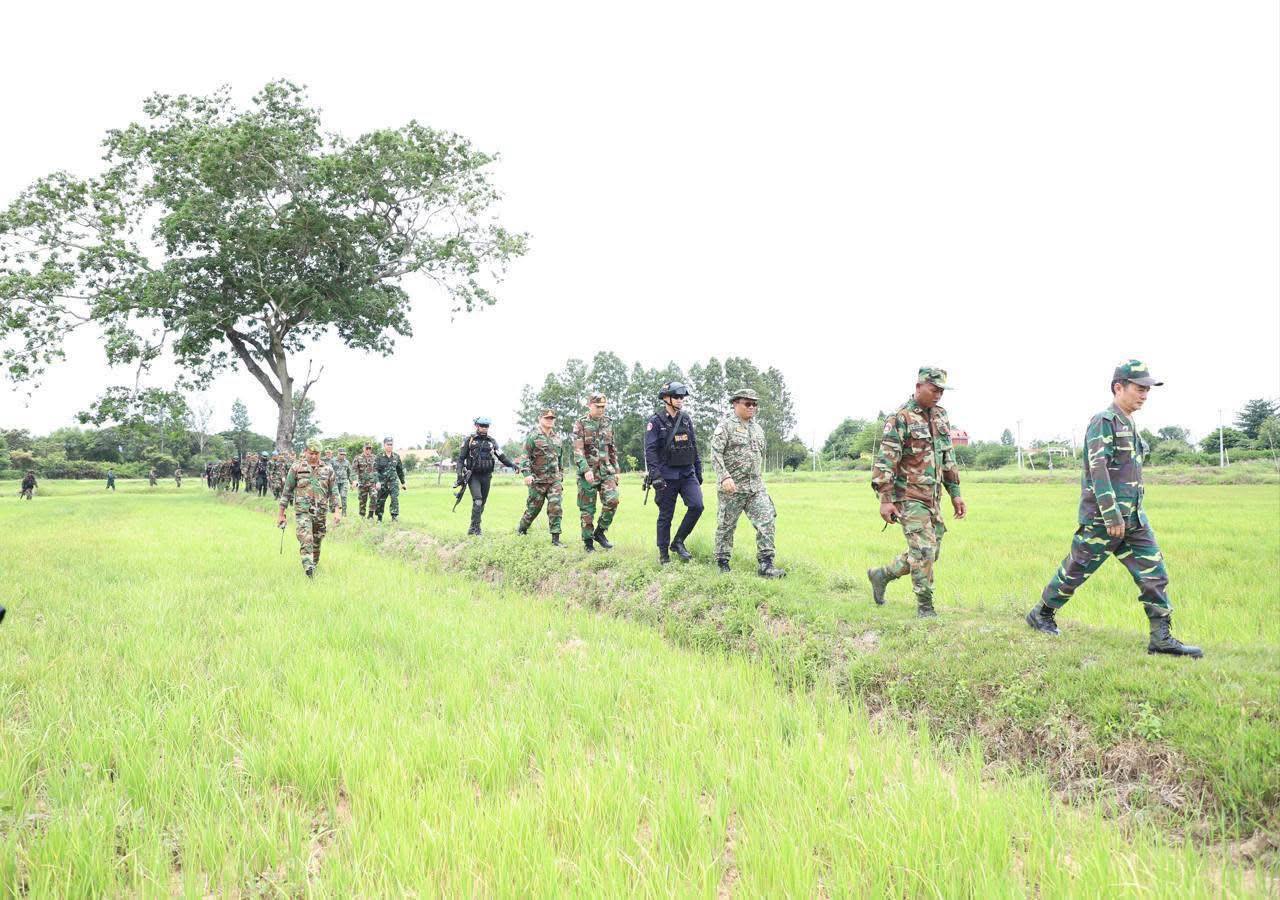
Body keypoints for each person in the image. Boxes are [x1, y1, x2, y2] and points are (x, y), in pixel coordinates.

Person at [1027, 361, 1202, 657]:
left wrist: (1128, 514)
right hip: (1103, 519)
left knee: (1154, 573)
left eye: (1147, 389)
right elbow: (1098, 469)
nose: (1144, 394)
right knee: (1077, 568)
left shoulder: (1129, 423)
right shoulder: (1104, 421)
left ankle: (1161, 638)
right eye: (1139, 388)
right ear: (1118, 387)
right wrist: (1110, 514)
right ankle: (1041, 613)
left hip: (1133, 519)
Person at [867, 367, 967, 618]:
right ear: (919, 386)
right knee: (924, 552)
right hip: (908, 497)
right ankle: (926, 609)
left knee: (930, 552)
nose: (938, 395)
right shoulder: (900, 418)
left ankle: (882, 575)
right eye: (934, 389)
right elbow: (886, 461)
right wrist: (885, 500)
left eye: (942, 391)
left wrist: (955, 492)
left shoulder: (941, 416)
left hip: (933, 497)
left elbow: (948, 456)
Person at [711, 389, 785, 577]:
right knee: (726, 526)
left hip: (755, 488)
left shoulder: (758, 429)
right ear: (735, 404)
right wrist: (724, 477)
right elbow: (715, 454)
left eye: (755, 404)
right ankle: (722, 563)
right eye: (747, 403)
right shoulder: (725, 426)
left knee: (767, 520)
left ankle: (766, 565)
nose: (752, 407)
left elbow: (760, 455)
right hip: (732, 488)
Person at [644, 382, 704, 564]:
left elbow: (693, 445)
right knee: (666, 516)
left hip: (687, 473)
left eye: (682, 397)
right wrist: (655, 475)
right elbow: (650, 451)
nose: (680, 400)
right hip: (666, 476)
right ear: (666, 398)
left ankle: (678, 541)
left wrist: (698, 470)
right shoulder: (655, 422)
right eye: (676, 397)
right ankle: (663, 555)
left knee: (697, 506)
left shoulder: (685, 419)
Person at [277, 440, 341, 578]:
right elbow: (287, 491)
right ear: (305, 451)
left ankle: (313, 564)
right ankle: (308, 568)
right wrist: (281, 514)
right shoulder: (296, 468)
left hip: (320, 512)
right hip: (303, 511)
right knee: (306, 538)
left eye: (316, 453)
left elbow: (334, 492)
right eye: (311, 453)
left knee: (317, 541)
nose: (313, 456)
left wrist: (337, 511)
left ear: (320, 453)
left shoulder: (328, 469)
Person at [572, 393, 621, 552]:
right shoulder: (581, 423)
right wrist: (585, 469)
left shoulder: (608, 422)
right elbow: (578, 450)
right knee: (587, 509)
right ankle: (588, 543)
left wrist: (616, 470)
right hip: (588, 473)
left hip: (606, 470)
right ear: (589, 406)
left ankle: (599, 532)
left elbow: (612, 448)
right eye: (597, 406)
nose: (601, 409)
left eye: (603, 407)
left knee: (613, 501)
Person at [457, 417, 516, 536]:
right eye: (482, 426)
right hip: (473, 476)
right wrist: (459, 475)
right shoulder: (469, 440)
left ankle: (472, 527)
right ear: (477, 426)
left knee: (482, 503)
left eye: (486, 426)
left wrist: (513, 465)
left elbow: (502, 457)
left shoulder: (491, 441)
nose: (484, 428)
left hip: (487, 476)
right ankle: (477, 529)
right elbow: (461, 459)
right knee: (478, 501)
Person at [517, 409, 567, 545]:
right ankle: (522, 529)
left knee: (555, 507)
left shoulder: (557, 439)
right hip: (537, 481)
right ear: (540, 419)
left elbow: (560, 458)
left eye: (552, 418)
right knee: (533, 509)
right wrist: (527, 474)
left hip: (554, 481)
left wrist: (561, 474)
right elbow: (525, 457)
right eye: (547, 418)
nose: (550, 420)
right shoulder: (533, 437)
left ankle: (556, 539)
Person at [374, 437, 407, 522]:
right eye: (388, 444)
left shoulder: (396, 456)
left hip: (393, 482)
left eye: (391, 444)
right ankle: (379, 518)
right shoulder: (379, 457)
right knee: (381, 501)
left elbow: (400, 470)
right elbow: (375, 470)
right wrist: (377, 482)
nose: (390, 446)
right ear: (384, 445)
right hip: (382, 483)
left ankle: (394, 517)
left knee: (394, 499)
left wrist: (403, 482)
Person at [352, 443, 378, 518]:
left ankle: (370, 515)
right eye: (367, 448)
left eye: (370, 448)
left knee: (374, 496)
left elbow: (378, 470)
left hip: (372, 483)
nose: (368, 450)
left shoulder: (375, 458)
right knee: (362, 501)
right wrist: (354, 480)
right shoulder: (358, 458)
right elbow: (354, 470)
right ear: (363, 448)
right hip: (362, 483)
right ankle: (362, 516)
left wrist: (378, 481)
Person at [331, 448, 352, 516]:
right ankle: (336, 510)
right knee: (336, 496)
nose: (343, 456)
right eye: (341, 454)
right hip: (335, 481)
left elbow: (349, 472)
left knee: (343, 496)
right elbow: (329, 471)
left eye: (344, 454)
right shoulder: (332, 461)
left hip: (344, 481)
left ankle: (344, 512)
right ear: (338, 454)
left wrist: (351, 482)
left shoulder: (347, 462)